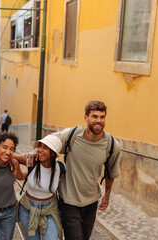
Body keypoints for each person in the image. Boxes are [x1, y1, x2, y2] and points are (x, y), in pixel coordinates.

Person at [22, 100, 121, 240]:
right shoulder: (71, 135)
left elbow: (110, 173)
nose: (99, 121)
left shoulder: (112, 145)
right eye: (94, 116)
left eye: (102, 117)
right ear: (86, 117)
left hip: (91, 201)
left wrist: (107, 196)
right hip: (69, 200)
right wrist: (34, 152)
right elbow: (48, 143)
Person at [14, 135, 65, 240]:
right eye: (39, 146)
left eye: (45, 148)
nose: (40, 150)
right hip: (27, 209)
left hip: (50, 210)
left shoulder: (61, 167)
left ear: (53, 153)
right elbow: (9, 155)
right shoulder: (32, 161)